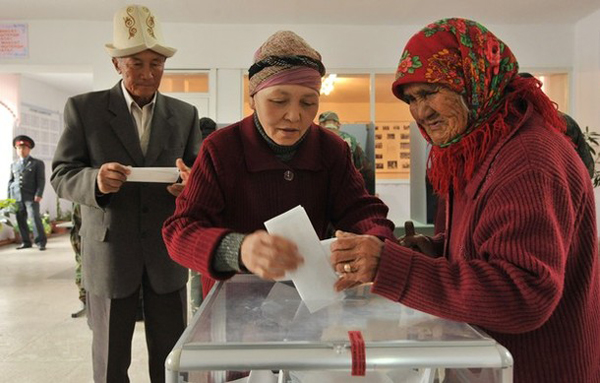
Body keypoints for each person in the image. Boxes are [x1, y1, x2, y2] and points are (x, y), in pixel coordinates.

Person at [330, 18, 600, 383]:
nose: (420, 112)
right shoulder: (474, 149)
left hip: (535, 369)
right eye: (411, 99)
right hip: (490, 365)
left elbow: (523, 293)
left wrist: (391, 268)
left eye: (430, 92)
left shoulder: (529, 158)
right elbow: (485, 250)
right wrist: (434, 251)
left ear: (472, 82)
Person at [162, 30, 395, 300]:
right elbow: (180, 230)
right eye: (278, 101)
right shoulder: (221, 149)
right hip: (233, 302)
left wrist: (376, 242)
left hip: (307, 298)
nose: (294, 115)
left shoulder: (331, 149)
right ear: (253, 97)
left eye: (309, 103)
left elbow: (361, 210)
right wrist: (237, 249)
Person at [50, 5, 202, 383]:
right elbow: (62, 174)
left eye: (157, 63)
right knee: (110, 356)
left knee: (169, 354)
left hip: (166, 253)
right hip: (109, 249)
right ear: (117, 63)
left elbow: (201, 177)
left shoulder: (184, 115)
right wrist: (95, 182)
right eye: (137, 63)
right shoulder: (85, 110)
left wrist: (189, 186)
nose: (148, 74)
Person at [318, 111, 375, 194]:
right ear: (338, 124)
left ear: (320, 124)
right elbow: (362, 165)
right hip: (346, 188)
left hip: (321, 188)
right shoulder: (351, 139)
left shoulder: (314, 139)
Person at [8, 135, 47, 251]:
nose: (21, 150)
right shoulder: (14, 165)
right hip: (17, 197)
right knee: (20, 220)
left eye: (24, 148)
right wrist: (9, 198)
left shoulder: (37, 163)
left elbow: (41, 180)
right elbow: (10, 182)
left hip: (31, 196)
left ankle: (40, 242)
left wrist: (39, 194)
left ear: (29, 149)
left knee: (34, 218)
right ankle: (26, 242)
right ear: (16, 149)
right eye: (19, 148)